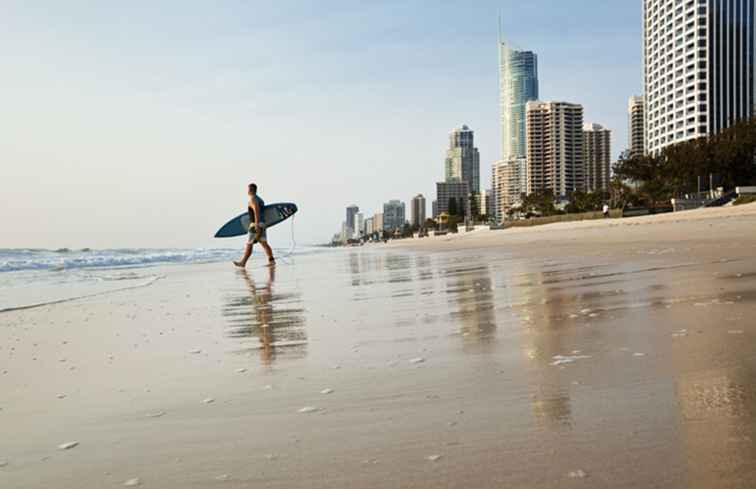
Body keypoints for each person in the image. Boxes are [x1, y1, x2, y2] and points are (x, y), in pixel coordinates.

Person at [234, 183, 275, 267]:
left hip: (255, 225)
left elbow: (256, 211)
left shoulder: (253, 199)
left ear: (250, 190)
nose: (247, 191)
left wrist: (256, 224)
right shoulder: (260, 199)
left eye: (248, 189)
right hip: (262, 223)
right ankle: (272, 261)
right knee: (264, 243)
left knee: (249, 243)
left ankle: (243, 262)